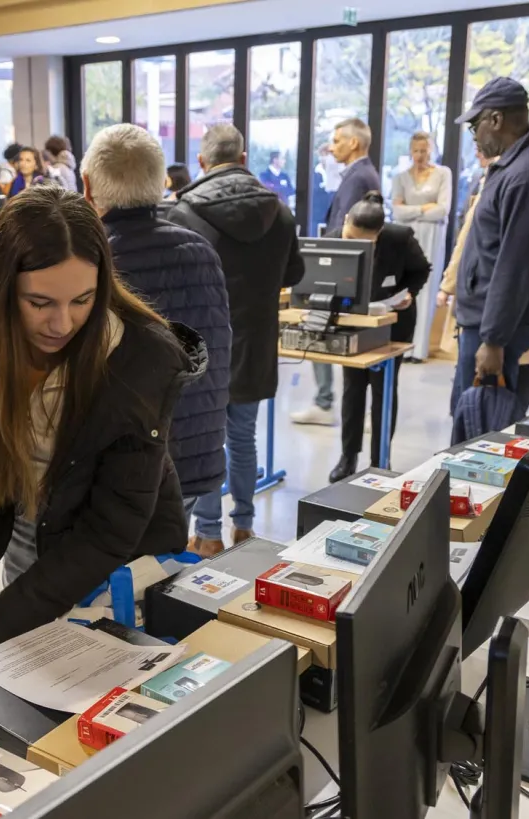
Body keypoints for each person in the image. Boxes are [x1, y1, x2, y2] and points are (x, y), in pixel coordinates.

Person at [0, 186, 203, 673]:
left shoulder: (142, 358)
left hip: (121, 561)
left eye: (83, 300)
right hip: (27, 530)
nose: (63, 323)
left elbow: (111, 529)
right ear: (1, 290)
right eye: (39, 302)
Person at [81, 123, 232, 556]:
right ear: (161, 184)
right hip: (194, 451)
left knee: (112, 589)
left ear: (87, 185)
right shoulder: (201, 252)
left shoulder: (91, 260)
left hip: (121, 466)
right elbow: (215, 355)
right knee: (157, 570)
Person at [168, 123, 305, 550]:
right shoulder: (279, 212)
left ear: (202, 163)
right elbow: (294, 273)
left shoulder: (184, 212)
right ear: (243, 159)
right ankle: (244, 527)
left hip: (203, 345)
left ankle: (208, 534)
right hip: (256, 344)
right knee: (243, 438)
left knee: (208, 440)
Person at [451, 78, 529, 443]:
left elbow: (516, 266)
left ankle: (473, 499)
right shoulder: (515, 167)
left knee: (481, 431)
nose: (474, 132)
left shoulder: (527, 175)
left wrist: (494, 341)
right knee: (471, 417)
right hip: (486, 322)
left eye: (475, 123)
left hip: (496, 329)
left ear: (496, 119)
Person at [325, 192, 430, 482]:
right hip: (351, 322)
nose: (356, 245)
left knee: (383, 389)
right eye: (351, 237)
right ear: (345, 221)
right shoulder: (333, 240)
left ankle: (379, 459)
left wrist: (409, 293)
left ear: (379, 233)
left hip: (392, 322)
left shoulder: (399, 239)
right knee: (352, 389)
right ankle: (348, 457)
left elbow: (421, 270)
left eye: (365, 242)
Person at [294, 117, 379, 427]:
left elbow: (347, 230)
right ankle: (331, 401)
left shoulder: (359, 177)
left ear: (353, 142)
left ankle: (325, 401)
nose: (332, 146)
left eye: (338, 140)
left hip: (340, 271)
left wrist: (318, 257)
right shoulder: (359, 174)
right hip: (343, 268)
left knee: (319, 329)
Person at [391, 131, 452, 363]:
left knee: (426, 288)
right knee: (405, 287)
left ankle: (419, 349)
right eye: (415, 150)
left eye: (424, 150)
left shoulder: (443, 174)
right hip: (407, 238)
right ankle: (402, 345)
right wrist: (424, 208)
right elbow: (397, 212)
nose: (419, 155)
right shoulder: (400, 178)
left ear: (431, 150)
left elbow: (442, 209)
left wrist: (411, 210)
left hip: (432, 236)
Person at [309, 141, 341, 236]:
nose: (324, 158)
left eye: (327, 155)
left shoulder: (336, 170)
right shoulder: (315, 172)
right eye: (323, 155)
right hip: (318, 208)